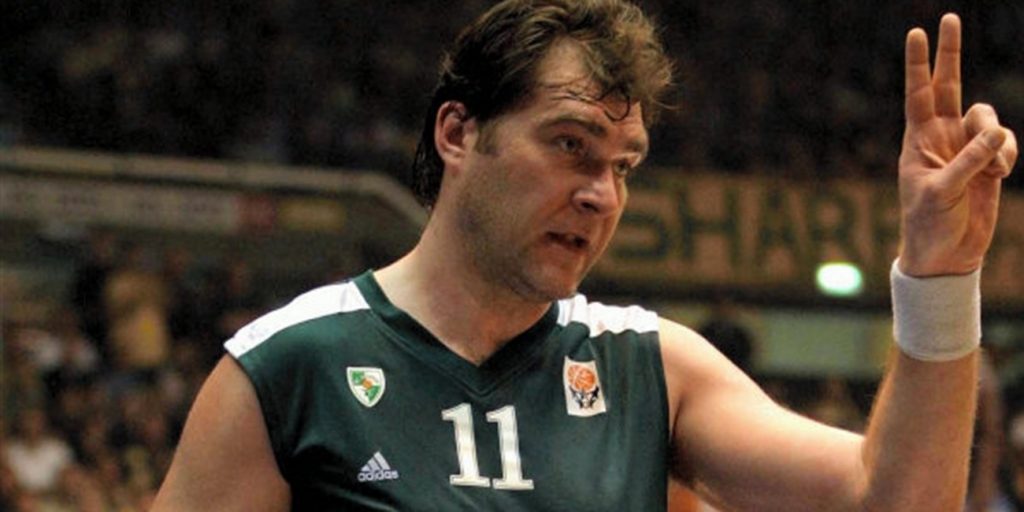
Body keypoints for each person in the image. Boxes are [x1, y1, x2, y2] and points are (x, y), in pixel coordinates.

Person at [153, 1, 1019, 510]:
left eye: (623, 165)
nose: (602, 193)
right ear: (458, 133)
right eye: (569, 145)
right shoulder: (287, 368)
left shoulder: (652, 368)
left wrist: (940, 276)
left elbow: (895, 499)